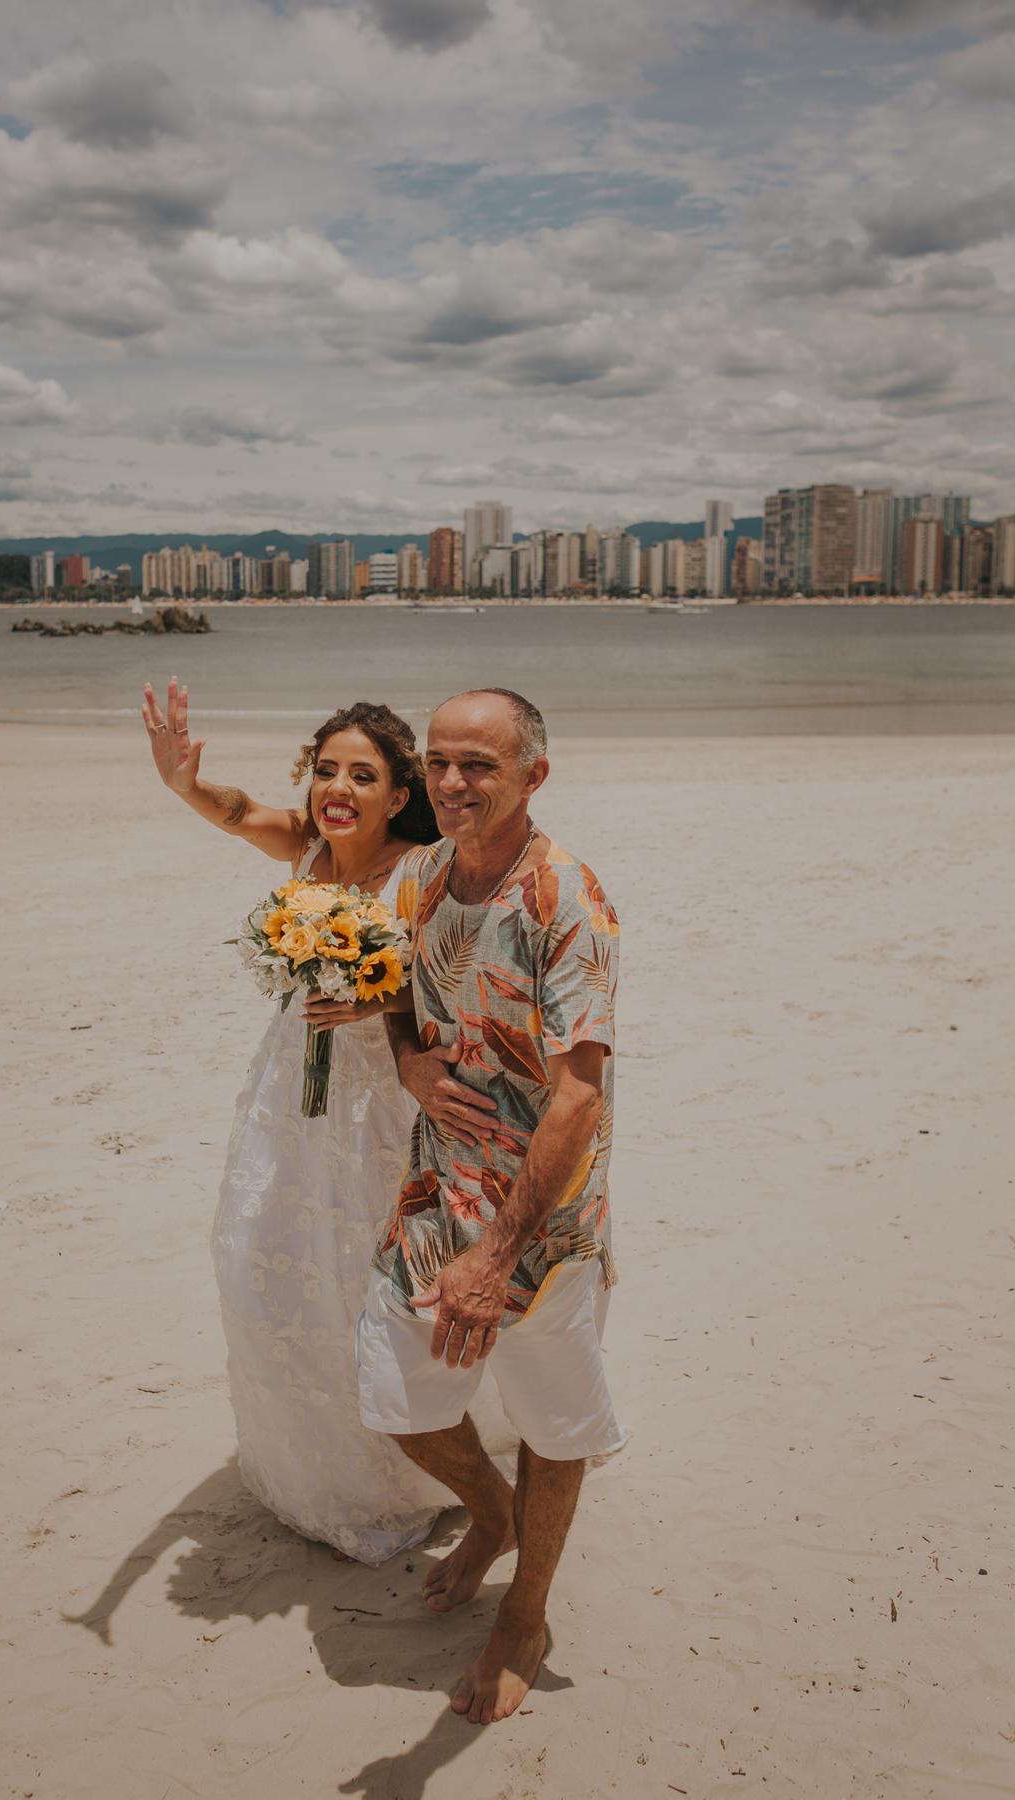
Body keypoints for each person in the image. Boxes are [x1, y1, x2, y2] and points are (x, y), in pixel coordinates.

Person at [358, 686, 629, 1723]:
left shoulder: (568, 900)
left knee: (554, 1419)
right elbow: (391, 981)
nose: (452, 781)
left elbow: (579, 1096)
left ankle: (526, 1611)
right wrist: (407, 1059)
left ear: (533, 776)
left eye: (479, 764)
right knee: (396, 1396)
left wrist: (498, 1253)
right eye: (438, 761)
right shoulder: (422, 874)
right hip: (436, 1190)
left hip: (541, 1221)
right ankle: (492, 1513)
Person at [141, 677, 456, 1563]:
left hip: (379, 1098)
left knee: (361, 1269)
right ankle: (319, 1462)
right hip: (293, 1086)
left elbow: (449, 983)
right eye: (325, 771)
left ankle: (407, 1464)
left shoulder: (423, 870)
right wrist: (181, 781)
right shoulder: (309, 851)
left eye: (363, 776)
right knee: (274, 1257)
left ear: (400, 796)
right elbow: (238, 810)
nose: (338, 790)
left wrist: (372, 1000)